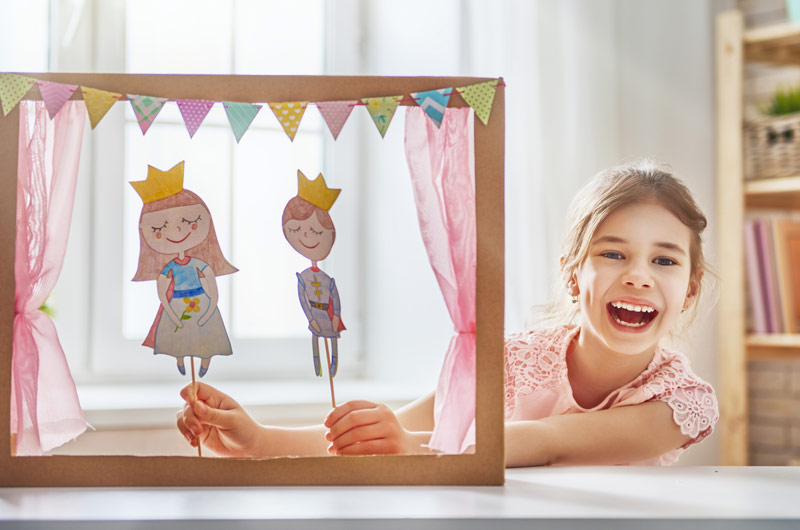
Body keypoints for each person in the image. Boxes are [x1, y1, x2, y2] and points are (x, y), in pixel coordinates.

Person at [176, 160, 719, 466]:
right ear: (573, 274)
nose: (638, 275)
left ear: (690, 289)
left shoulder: (683, 403)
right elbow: (403, 425)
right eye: (613, 253)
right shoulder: (513, 357)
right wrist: (259, 439)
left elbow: (551, 439)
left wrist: (405, 448)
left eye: (664, 260)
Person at [132, 161, 238, 378]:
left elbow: (210, 282)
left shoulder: (199, 264)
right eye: (160, 228)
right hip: (178, 302)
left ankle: (205, 362)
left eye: (190, 221)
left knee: (204, 337)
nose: (177, 229)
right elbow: (162, 291)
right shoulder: (170, 267)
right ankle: (180, 359)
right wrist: (170, 311)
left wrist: (211, 307)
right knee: (180, 338)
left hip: (200, 301)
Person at [282, 170, 345, 377]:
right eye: (297, 231)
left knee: (332, 340)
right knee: (317, 339)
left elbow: (334, 297)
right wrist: (311, 318)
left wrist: (336, 316)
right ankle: (319, 368)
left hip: (327, 313)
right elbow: (303, 300)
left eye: (317, 232)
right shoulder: (303, 278)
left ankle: (332, 367)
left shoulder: (328, 280)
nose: (308, 236)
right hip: (316, 314)